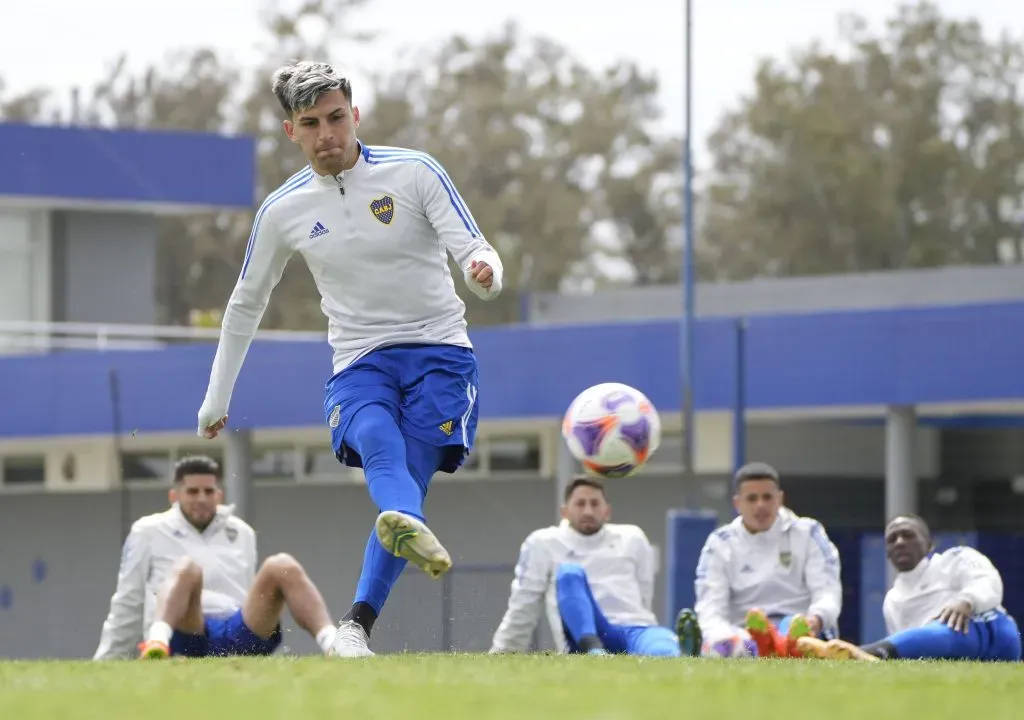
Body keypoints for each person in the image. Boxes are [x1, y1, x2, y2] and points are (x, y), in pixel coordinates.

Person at [195, 60, 502, 658]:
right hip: (360, 359)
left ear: (355, 115)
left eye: (337, 118)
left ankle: (358, 620)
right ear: (291, 131)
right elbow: (245, 304)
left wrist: (483, 273)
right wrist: (217, 397)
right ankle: (382, 569)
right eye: (311, 124)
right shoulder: (282, 211)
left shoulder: (415, 172)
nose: (327, 134)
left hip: (441, 352)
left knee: (407, 478)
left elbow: (474, 248)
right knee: (376, 439)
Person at [93, 456, 338, 660]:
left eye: (208, 491)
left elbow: (247, 591)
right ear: (174, 496)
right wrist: (108, 658)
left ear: (219, 495)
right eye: (192, 491)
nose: (201, 498)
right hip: (186, 630)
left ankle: (335, 644)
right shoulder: (147, 530)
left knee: (281, 564)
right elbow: (129, 598)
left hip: (235, 629)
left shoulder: (242, 532)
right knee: (187, 568)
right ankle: (157, 641)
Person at [489, 476, 681, 657]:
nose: (588, 511)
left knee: (663, 646)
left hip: (633, 629)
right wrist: (501, 653)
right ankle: (594, 651)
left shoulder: (633, 538)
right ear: (564, 512)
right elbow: (523, 606)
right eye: (580, 504)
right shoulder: (543, 543)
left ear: (607, 511)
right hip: (582, 636)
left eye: (595, 504)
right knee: (569, 573)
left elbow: (645, 597)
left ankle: (676, 648)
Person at [798, 514, 1022, 662]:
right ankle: (864, 655)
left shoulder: (955, 559)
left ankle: (862, 653)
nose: (900, 542)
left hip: (994, 636)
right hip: (953, 653)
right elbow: (913, 647)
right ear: (887, 552)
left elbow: (989, 582)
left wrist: (965, 601)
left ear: (929, 544)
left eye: (908, 535)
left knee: (949, 626)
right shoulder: (893, 601)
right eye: (892, 539)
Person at [675, 462, 843, 658]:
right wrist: (724, 637)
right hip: (746, 638)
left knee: (795, 633)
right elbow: (710, 607)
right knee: (728, 645)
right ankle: (762, 646)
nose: (760, 505)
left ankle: (782, 645)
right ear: (737, 503)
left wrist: (816, 619)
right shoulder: (719, 543)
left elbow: (828, 590)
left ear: (780, 499)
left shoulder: (808, 532)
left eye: (767, 497)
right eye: (752, 498)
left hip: (803, 630)